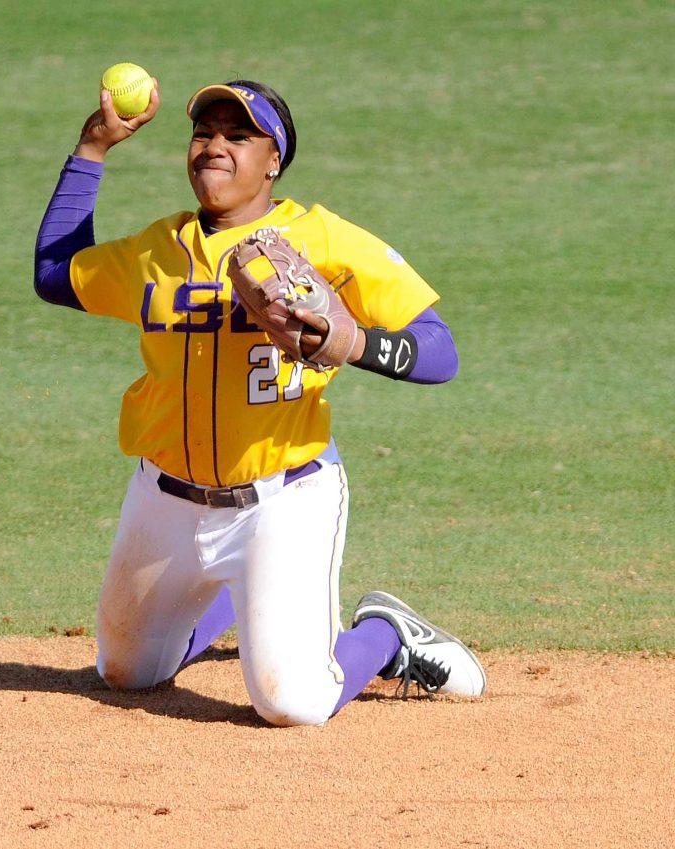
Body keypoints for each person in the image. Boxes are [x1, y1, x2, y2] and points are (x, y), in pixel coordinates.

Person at [33, 77, 485, 726]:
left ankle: (387, 634)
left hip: (283, 499)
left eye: (238, 134)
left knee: (292, 702)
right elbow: (56, 276)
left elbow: (440, 353)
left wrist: (352, 341)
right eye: (204, 132)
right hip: (165, 502)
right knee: (129, 672)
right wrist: (92, 147)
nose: (215, 144)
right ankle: (237, 596)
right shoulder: (159, 251)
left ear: (273, 160)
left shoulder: (323, 241)